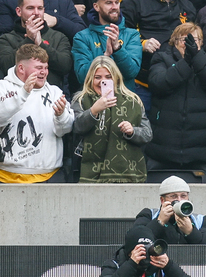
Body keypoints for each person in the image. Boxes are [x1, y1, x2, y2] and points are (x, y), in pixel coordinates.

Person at [146, 22, 206, 182]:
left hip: (202, 152)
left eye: (194, 40)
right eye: (184, 39)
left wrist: (196, 58)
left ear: (201, 43)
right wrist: (187, 62)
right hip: (163, 151)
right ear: (174, 41)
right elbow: (159, 83)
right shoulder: (161, 58)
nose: (188, 43)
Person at [71, 56, 151, 183]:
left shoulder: (133, 100)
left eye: (108, 77)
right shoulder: (80, 99)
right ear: (91, 78)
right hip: (91, 169)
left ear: (116, 77)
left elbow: (147, 134)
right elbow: (77, 127)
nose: (102, 81)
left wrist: (132, 131)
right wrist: (93, 111)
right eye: (97, 77)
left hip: (127, 171)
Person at [0, 44, 73, 183]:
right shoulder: (3, 88)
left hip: (49, 176)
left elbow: (65, 130)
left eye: (46, 68)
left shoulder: (54, 92)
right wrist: (23, 94)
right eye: (39, 68)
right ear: (21, 68)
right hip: (5, 177)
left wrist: (61, 116)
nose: (44, 72)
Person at [121, 0, 196, 113]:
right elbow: (122, 34)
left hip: (176, 81)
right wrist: (142, 44)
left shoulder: (187, 4)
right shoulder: (133, 3)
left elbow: (195, 35)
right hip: (142, 81)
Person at [72, 0, 142, 92]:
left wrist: (118, 49)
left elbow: (132, 72)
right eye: (108, 3)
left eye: (117, 2)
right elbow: (81, 76)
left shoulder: (132, 34)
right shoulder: (82, 37)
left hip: (124, 100)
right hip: (93, 100)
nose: (114, 7)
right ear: (96, 7)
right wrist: (105, 56)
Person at [0, 0, 72, 89]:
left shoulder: (59, 37)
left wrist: (41, 44)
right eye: (30, 8)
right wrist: (29, 40)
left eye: (40, 8)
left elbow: (65, 66)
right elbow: (6, 67)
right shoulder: (6, 39)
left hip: (50, 98)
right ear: (19, 11)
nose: (36, 13)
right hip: (18, 97)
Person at [134, 176, 206, 245]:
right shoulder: (148, 215)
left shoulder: (201, 220)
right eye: (173, 196)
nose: (179, 200)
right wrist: (159, 222)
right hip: (156, 263)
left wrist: (190, 232)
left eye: (183, 196)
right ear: (162, 200)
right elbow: (135, 243)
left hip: (191, 263)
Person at [0, 0, 86, 39]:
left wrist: (57, 21)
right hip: (22, 59)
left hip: (59, 61)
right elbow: (4, 36)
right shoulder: (7, 2)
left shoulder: (63, 2)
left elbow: (82, 34)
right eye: (30, 8)